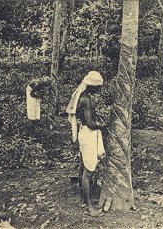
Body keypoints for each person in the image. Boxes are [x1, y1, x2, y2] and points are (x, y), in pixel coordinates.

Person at [66, 71, 107, 216]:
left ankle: (84, 199)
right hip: (88, 134)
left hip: (85, 133)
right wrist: (104, 126)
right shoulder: (85, 99)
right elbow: (90, 123)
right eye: (98, 87)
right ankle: (89, 208)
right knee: (88, 172)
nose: (100, 89)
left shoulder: (85, 97)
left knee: (84, 166)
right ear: (92, 86)